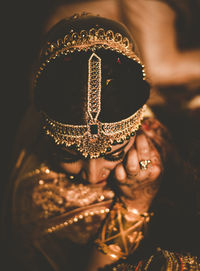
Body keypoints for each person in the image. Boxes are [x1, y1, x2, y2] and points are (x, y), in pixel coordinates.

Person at [1, 14, 200, 271]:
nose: (93, 176)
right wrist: (132, 208)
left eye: (114, 153)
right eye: (69, 156)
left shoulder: (147, 117)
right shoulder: (37, 203)